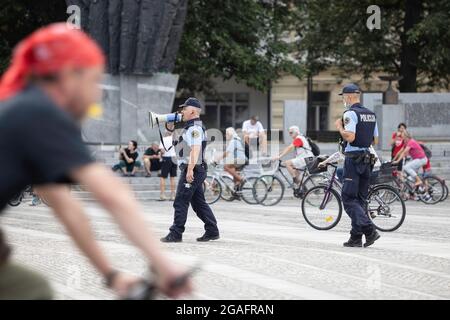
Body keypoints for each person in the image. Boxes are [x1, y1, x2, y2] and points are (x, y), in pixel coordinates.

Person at [0, 24, 191, 299]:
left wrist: (110, 275)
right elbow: (112, 194)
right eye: (95, 81)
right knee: (32, 291)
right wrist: (165, 266)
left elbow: (67, 207)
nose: (98, 95)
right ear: (68, 75)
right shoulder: (39, 112)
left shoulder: (20, 110)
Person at [161, 97, 220, 243]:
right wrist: (170, 127)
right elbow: (179, 144)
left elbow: (195, 150)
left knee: (181, 200)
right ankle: (212, 230)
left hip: (192, 168)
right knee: (199, 203)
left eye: (184, 109)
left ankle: (176, 233)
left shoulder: (195, 128)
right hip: (193, 168)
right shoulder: (190, 127)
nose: (182, 111)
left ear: (192, 111)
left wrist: (189, 171)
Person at [335, 83, 380, 248]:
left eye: (344, 97)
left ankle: (369, 230)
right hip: (368, 159)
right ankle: (355, 238)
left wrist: (340, 127)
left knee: (347, 198)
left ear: (349, 96)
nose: (344, 100)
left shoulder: (350, 114)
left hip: (354, 159)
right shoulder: (371, 114)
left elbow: (351, 137)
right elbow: (375, 140)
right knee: (360, 200)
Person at [159, 127, 177, 201]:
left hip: (166, 158)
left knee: (163, 177)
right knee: (172, 177)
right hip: (174, 158)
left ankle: (162, 195)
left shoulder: (163, 139)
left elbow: (162, 151)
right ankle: (173, 195)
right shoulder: (175, 139)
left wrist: (160, 155)